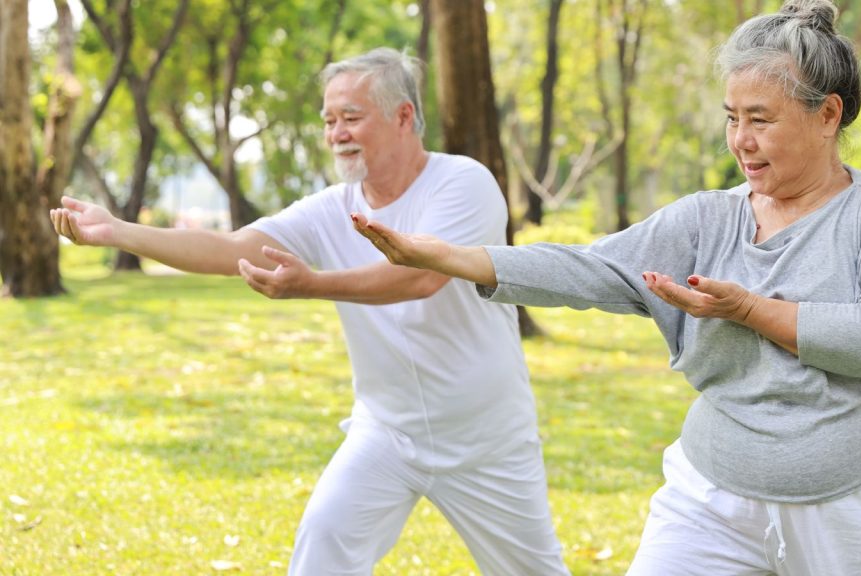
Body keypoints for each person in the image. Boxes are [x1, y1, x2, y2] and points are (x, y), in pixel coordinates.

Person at [352, 2, 861, 574]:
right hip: (711, 497)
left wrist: (750, 310)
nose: (740, 139)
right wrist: (455, 257)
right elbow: (593, 269)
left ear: (828, 116)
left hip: (857, 504)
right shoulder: (707, 217)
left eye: (760, 119)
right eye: (732, 117)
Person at [50, 48, 570, 576]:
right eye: (328, 120)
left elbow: (423, 274)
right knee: (323, 544)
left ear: (404, 117)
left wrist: (314, 285)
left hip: (486, 438)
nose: (335, 133)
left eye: (350, 117)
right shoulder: (331, 209)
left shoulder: (464, 183)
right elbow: (232, 249)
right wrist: (118, 230)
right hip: (387, 434)